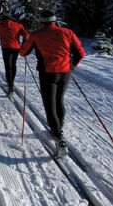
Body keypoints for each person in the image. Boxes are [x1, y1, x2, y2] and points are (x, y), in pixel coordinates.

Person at [19, 10, 85, 158]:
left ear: (42, 22)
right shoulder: (67, 32)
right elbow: (81, 52)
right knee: (59, 100)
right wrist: (71, 65)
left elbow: (23, 53)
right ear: (55, 21)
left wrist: (24, 44)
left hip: (48, 73)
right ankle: (58, 129)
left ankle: (59, 139)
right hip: (65, 72)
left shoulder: (36, 35)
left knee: (50, 105)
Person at [0, 16, 29, 95]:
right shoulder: (18, 25)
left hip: (6, 48)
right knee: (13, 64)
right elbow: (26, 35)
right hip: (16, 48)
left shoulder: (0, 25)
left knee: (8, 66)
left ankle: (10, 86)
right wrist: (24, 43)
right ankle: (12, 80)